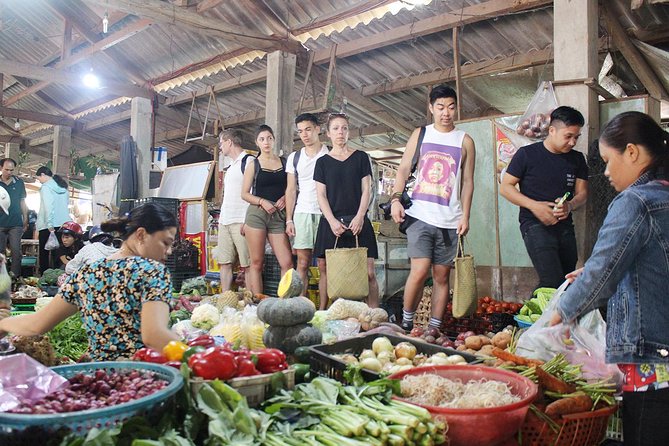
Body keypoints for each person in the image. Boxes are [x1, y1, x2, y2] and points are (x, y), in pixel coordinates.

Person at [549, 112, 669, 445]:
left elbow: (602, 273)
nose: (605, 172)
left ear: (631, 152)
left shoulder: (635, 202)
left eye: (606, 160)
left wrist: (558, 316)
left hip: (653, 367)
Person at [0, 203, 179, 361]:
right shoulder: (153, 271)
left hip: (100, 383)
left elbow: (36, 324)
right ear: (141, 235)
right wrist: (195, 353)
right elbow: (154, 336)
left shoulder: (86, 273)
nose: (169, 251)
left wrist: (2, 324)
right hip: (144, 380)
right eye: (165, 242)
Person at [391, 85, 476, 331]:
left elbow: (468, 182)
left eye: (450, 107)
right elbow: (404, 168)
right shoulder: (421, 134)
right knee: (419, 270)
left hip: (450, 220)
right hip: (420, 215)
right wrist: (396, 199)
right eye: (440, 107)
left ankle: (434, 328)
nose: (445, 113)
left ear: (456, 108)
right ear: (431, 108)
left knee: (441, 276)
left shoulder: (465, 141)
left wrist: (466, 216)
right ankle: (406, 321)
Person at [500, 106, 588, 291]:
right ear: (552, 130)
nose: (572, 142)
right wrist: (535, 206)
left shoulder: (577, 159)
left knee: (567, 279)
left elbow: (582, 194)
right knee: (551, 281)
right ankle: (537, 319)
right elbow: (506, 188)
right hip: (534, 225)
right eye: (568, 136)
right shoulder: (527, 155)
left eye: (576, 137)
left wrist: (570, 206)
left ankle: (556, 318)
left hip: (565, 227)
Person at [313, 113, 379, 310]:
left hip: (358, 220)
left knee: (368, 272)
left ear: (348, 132)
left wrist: (360, 216)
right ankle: (323, 312)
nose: (340, 132)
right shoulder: (322, 162)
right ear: (328, 133)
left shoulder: (360, 157)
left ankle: (374, 315)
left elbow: (367, 189)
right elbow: (321, 195)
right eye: (335, 128)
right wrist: (332, 221)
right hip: (331, 222)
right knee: (325, 269)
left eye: (344, 128)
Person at [240, 125, 293, 295]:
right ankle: (258, 304)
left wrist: (286, 198)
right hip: (257, 214)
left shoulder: (284, 162)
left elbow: (292, 187)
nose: (266, 142)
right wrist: (262, 201)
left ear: (273, 140)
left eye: (269, 138)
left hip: (279, 215)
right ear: (257, 143)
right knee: (256, 263)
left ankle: (283, 303)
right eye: (262, 139)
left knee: (287, 263)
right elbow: (244, 194)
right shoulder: (253, 164)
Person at [285, 113, 330, 298]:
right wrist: (289, 219)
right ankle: (301, 307)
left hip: (325, 214)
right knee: (302, 264)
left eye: (308, 129)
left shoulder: (330, 154)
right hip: (302, 213)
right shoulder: (294, 157)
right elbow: (290, 190)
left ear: (318, 129)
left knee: (324, 265)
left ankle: (322, 310)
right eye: (300, 131)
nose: (304, 135)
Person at [214, 129, 251, 292]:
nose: (220, 147)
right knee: (224, 262)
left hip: (241, 220)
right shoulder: (230, 167)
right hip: (225, 220)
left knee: (247, 264)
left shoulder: (248, 161)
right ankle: (225, 298)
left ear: (229, 142)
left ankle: (252, 301)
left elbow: (254, 192)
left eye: (221, 143)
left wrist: (248, 221)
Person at [35, 166, 70, 273]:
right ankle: (59, 276)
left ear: (43, 175)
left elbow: (48, 206)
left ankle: (44, 277)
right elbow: (65, 205)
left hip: (48, 225)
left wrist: (49, 223)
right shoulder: (63, 187)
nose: (39, 181)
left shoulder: (46, 187)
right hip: (63, 224)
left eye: (39, 178)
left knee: (44, 254)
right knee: (59, 253)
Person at [0, 158, 28, 278]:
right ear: (1, 168)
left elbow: (22, 202)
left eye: (11, 170)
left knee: (16, 252)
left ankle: (15, 278)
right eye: (6, 169)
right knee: (0, 253)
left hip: (16, 223)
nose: (9, 172)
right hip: (0, 224)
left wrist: (25, 218)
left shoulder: (19, 182)